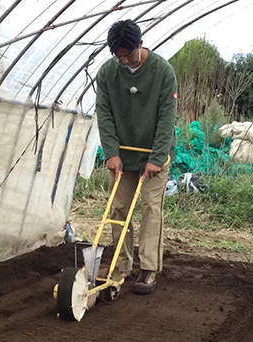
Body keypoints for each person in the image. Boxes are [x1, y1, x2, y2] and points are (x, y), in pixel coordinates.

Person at [95, 19, 177, 295]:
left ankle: (148, 267)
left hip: (154, 155)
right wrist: (111, 153)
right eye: (118, 56)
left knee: (150, 207)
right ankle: (121, 264)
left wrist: (157, 157)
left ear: (140, 45)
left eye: (128, 54)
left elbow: (167, 118)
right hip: (123, 155)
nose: (123, 60)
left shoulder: (162, 71)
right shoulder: (108, 73)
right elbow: (104, 113)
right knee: (118, 208)